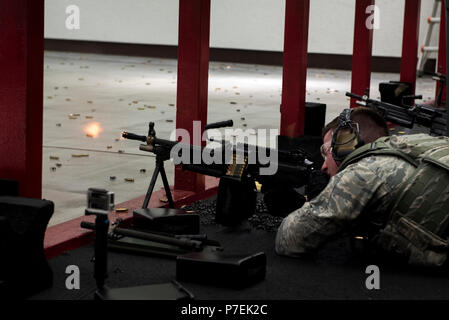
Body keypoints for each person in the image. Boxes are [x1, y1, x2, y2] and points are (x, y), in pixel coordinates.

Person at [275, 107, 449, 267]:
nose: (323, 166)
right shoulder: (420, 146)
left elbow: (289, 241)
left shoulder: (364, 173)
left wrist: (310, 204)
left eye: (325, 152)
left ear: (345, 144)